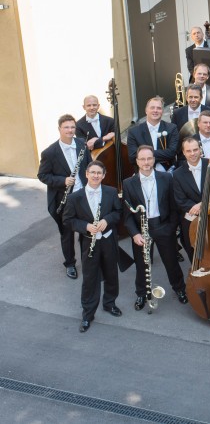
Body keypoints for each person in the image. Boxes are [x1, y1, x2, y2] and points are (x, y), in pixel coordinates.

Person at [122, 146, 188, 310]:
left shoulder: (166, 178)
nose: (146, 162)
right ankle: (141, 294)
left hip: (163, 225)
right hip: (141, 229)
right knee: (141, 264)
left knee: (171, 261)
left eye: (149, 158)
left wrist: (171, 228)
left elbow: (174, 207)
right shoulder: (128, 183)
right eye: (142, 159)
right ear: (137, 161)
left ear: (154, 159)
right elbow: (127, 215)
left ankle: (180, 289)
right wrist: (135, 234)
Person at [63, 160, 123, 332]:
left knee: (112, 274)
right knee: (90, 278)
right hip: (89, 242)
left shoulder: (111, 192)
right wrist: (85, 227)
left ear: (104, 176)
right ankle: (88, 314)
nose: (96, 175)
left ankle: (109, 303)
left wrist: (106, 220)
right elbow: (68, 220)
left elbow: (118, 213)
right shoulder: (75, 197)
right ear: (86, 174)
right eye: (93, 172)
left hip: (108, 240)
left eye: (99, 173)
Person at [38, 113, 92, 274]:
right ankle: (70, 264)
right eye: (66, 127)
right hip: (65, 198)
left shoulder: (82, 144)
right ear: (59, 129)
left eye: (72, 127)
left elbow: (89, 165)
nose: (70, 130)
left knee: (86, 230)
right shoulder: (50, 152)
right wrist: (63, 181)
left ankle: (87, 260)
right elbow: (42, 175)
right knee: (67, 233)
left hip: (83, 195)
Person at [172, 137, 210, 259]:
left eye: (195, 149)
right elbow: (181, 200)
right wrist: (198, 206)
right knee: (193, 253)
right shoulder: (177, 174)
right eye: (189, 151)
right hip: (191, 219)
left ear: (200, 150)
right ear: (183, 152)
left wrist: (202, 204)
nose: (192, 153)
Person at [127, 96, 178, 172]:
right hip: (143, 172)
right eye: (152, 108)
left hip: (166, 171)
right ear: (146, 110)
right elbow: (132, 157)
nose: (155, 110)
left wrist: (144, 156)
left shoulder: (171, 128)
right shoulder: (134, 132)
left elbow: (172, 153)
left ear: (162, 111)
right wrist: (162, 155)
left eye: (159, 108)